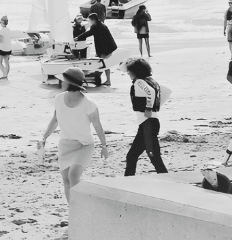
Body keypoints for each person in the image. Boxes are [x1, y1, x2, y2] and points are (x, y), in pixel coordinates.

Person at [39, 68, 109, 203]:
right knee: (66, 179)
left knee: (73, 176)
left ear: (70, 83)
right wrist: (44, 137)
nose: (61, 83)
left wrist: (104, 146)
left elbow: (98, 126)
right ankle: (73, 209)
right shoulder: (58, 99)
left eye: (63, 81)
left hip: (84, 145)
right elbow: (55, 120)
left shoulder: (89, 104)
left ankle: (81, 206)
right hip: (65, 145)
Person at [123, 57, 166, 176]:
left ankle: (168, 181)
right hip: (148, 123)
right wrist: (154, 107)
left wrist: (148, 108)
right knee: (133, 155)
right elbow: (165, 92)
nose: (128, 74)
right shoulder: (151, 80)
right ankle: (128, 181)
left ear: (135, 71)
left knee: (153, 157)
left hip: (148, 124)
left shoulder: (139, 82)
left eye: (129, 72)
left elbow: (150, 92)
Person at [0, 15, 14, 80]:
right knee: (7, 63)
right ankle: (6, 75)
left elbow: (1, 41)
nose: (0, 23)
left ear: (2, 23)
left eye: (0, 22)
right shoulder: (8, 30)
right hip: (8, 48)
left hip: (2, 49)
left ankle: (4, 75)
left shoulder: (1, 31)